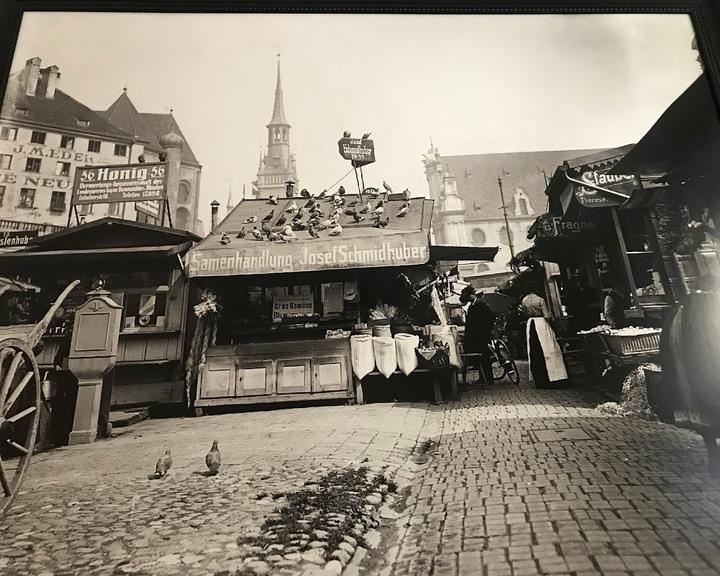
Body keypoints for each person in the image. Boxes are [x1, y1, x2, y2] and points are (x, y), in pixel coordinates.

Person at [519, 289, 568, 388]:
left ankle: (540, 380)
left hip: (531, 324)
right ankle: (554, 377)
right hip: (541, 323)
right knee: (549, 349)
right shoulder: (540, 299)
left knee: (535, 351)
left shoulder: (524, 300)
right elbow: (547, 315)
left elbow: (524, 313)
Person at [459, 286, 496, 385]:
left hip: (481, 337)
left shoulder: (480, 305)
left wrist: (485, 330)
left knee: (484, 358)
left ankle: (488, 379)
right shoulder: (473, 306)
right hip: (477, 337)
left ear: (471, 295)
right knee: (481, 358)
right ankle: (484, 378)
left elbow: (492, 317)